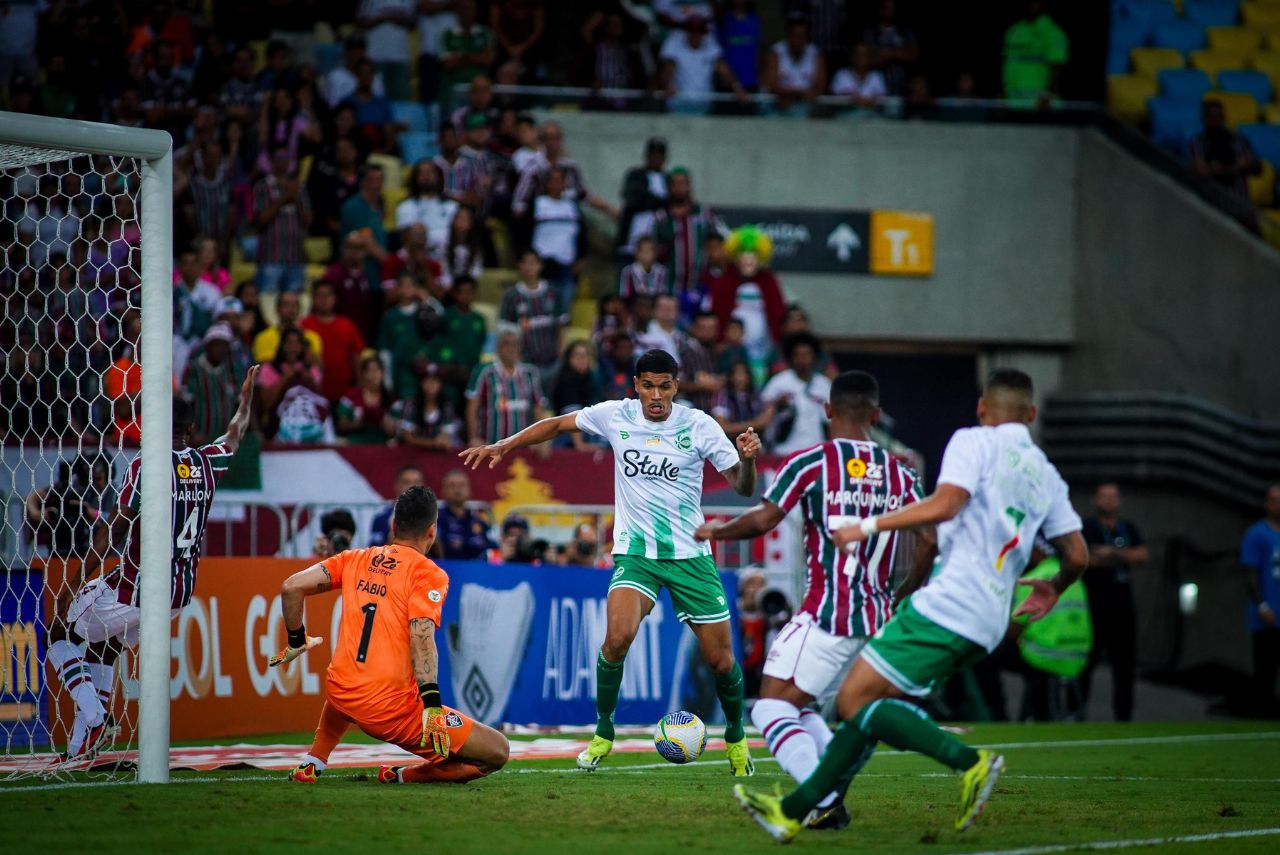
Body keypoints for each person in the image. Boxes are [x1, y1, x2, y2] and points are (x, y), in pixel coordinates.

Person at [732, 369, 1089, 844]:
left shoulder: (973, 441)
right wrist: (1056, 585)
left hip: (950, 601)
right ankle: (795, 811)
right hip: (992, 617)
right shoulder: (1046, 472)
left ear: (983, 409)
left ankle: (971, 763)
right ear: (1033, 413)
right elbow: (1079, 554)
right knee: (865, 708)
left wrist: (867, 527)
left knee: (853, 701)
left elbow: (945, 506)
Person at [460, 348, 762, 776]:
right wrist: (507, 444)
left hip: (690, 557)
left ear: (676, 387)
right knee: (616, 638)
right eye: (648, 385)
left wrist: (747, 459)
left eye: (665, 386)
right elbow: (558, 424)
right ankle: (603, 734)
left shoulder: (699, 425)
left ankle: (735, 738)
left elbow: (743, 487)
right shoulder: (615, 415)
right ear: (635, 386)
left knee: (721, 662)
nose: (656, 394)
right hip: (635, 554)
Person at [696, 371, 934, 830]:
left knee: (770, 707)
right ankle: (831, 785)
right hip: (878, 618)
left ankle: (821, 797)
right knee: (802, 707)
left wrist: (716, 530)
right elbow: (928, 539)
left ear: (828, 411)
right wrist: (902, 593)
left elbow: (765, 518)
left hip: (828, 613)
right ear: (876, 415)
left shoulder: (812, 463)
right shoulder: (900, 471)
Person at [48, 378, 256, 760]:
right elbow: (236, 432)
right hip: (178, 596)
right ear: (190, 430)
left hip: (136, 588)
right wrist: (245, 397)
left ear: (152, 425)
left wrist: (72, 582)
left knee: (58, 631)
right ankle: (81, 745)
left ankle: (95, 717)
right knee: (106, 646)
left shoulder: (147, 466)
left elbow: (115, 528)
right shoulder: (208, 462)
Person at [271, 485, 511, 784]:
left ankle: (315, 759)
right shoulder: (428, 573)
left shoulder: (353, 559)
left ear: (394, 526)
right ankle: (404, 775)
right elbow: (422, 638)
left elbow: (291, 587)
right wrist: (433, 706)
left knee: (350, 676)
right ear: (431, 532)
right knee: (497, 751)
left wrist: (297, 640)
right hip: (390, 712)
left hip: (341, 695)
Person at [1079, 483, 1148, 722]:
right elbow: (1085, 558)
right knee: (1086, 662)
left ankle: (1124, 716)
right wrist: (1118, 556)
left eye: (1113, 496)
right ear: (1095, 499)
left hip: (1123, 608)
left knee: (1125, 664)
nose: (1108, 501)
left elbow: (1142, 555)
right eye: (1104, 496)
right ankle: (1078, 713)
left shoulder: (1127, 528)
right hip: (1094, 607)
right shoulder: (1086, 527)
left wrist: (1111, 554)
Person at [465, 329, 548, 446]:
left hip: (523, 448)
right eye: (506, 344)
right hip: (491, 446)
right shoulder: (485, 372)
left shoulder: (530, 373)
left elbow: (538, 408)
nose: (511, 348)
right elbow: (472, 407)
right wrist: (473, 437)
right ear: (498, 347)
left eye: (515, 344)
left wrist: (541, 440)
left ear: (520, 348)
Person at [653, 168, 721, 306]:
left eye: (683, 183)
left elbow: (721, 240)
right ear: (669, 187)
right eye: (675, 184)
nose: (679, 188)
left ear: (689, 186)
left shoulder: (704, 214)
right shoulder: (661, 217)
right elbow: (650, 248)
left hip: (700, 287)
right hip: (668, 289)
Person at [1240, 485, 1280, 713]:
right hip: (1267, 616)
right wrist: (1262, 605)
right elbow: (1249, 574)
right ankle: (1263, 715)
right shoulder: (1257, 534)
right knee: (1266, 672)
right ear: (1267, 503)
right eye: (1274, 500)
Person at [500, 249, 568, 379]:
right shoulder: (511, 296)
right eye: (525, 263)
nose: (529, 267)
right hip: (524, 362)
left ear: (540, 265)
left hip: (553, 361)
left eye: (532, 263)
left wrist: (560, 353)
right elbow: (506, 331)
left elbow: (562, 326)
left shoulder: (553, 292)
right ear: (519, 266)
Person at [761, 333, 832, 456]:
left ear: (814, 357)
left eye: (806, 355)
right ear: (791, 358)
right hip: (784, 451)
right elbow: (762, 412)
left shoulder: (824, 384)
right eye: (798, 355)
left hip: (816, 449)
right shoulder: (779, 382)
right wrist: (777, 404)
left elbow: (830, 422)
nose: (802, 359)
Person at [658, 15, 747, 113]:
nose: (696, 34)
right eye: (693, 31)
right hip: (678, 105)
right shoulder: (674, 43)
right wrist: (668, 84)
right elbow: (668, 67)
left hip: (703, 106)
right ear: (687, 32)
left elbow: (723, 70)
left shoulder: (711, 45)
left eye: (699, 32)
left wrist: (737, 87)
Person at [253, 149, 312, 295]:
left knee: (294, 304)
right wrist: (285, 197)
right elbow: (261, 219)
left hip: (296, 258)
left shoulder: (299, 188)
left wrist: (295, 198)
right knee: (267, 301)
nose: (283, 162)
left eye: (286, 158)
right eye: (279, 158)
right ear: (271, 162)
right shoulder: (262, 186)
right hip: (271, 258)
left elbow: (308, 221)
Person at [301, 279, 367, 404]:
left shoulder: (347, 325)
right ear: (313, 299)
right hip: (312, 393)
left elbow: (356, 359)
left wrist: (359, 388)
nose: (324, 299)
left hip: (345, 393)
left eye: (328, 295)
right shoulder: (304, 325)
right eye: (320, 295)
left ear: (335, 298)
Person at [530, 166, 587, 308]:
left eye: (560, 180)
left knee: (563, 306)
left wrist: (582, 258)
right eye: (553, 180)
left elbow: (583, 235)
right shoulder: (537, 204)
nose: (557, 184)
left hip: (566, 265)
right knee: (539, 305)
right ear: (546, 183)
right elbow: (523, 232)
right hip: (542, 264)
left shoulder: (572, 206)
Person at [183, 323, 244, 447]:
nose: (220, 349)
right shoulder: (194, 369)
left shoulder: (232, 369)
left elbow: (242, 404)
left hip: (226, 441)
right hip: (201, 439)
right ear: (207, 346)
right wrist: (192, 434)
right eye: (217, 345)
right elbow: (186, 405)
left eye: (224, 346)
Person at [1191, 100, 1262, 202]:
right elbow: (1201, 172)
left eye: (1219, 116)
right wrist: (1237, 166)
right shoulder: (1197, 142)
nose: (1216, 120)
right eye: (1212, 116)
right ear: (1204, 118)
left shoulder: (1238, 141)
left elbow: (1257, 168)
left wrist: (1217, 168)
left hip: (1239, 200)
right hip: (1211, 200)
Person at [1002, 0, 1068, 108]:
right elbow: (1008, 63)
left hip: (1039, 104)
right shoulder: (1015, 30)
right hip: (1013, 102)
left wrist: (1047, 95)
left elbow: (1057, 67)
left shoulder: (1053, 32)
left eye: (1036, 2)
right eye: (1030, 2)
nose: (1032, 6)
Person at [617, 138, 670, 260]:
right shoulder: (636, 175)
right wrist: (659, 201)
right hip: (635, 231)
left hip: (658, 233)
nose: (656, 159)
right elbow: (635, 198)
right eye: (653, 156)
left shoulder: (667, 179)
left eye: (659, 156)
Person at [396, 160, 459, 262]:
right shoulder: (406, 206)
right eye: (422, 173)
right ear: (415, 178)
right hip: (420, 257)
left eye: (430, 172)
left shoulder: (452, 206)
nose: (427, 176)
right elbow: (405, 238)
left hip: (449, 255)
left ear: (439, 177)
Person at [340, 164, 390, 289]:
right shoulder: (354, 207)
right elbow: (366, 241)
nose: (377, 184)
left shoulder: (377, 206)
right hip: (362, 275)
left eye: (380, 180)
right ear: (362, 182)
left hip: (379, 274)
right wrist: (391, 264)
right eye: (372, 180)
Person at [763, 18, 825, 116]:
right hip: (777, 102)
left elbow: (819, 86)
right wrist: (798, 93)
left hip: (804, 105)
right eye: (795, 35)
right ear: (788, 36)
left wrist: (796, 96)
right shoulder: (776, 52)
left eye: (802, 36)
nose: (798, 40)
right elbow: (770, 84)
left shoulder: (815, 54)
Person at [439, 0, 496, 106]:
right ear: (457, 11)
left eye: (469, 8)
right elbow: (448, 64)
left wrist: (462, 57)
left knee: (479, 121)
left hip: (481, 90)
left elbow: (488, 59)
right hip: (455, 89)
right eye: (463, 8)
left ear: (475, 11)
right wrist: (476, 56)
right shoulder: (447, 35)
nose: (466, 12)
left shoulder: (485, 33)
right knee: (456, 120)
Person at [357, 0, 415, 101]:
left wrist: (398, 18)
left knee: (401, 102)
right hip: (375, 56)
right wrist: (383, 17)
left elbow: (413, 22)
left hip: (400, 57)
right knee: (376, 99)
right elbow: (361, 21)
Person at [393, 366, 463, 450]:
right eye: (427, 381)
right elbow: (408, 437)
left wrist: (438, 443)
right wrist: (432, 443)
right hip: (415, 452)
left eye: (434, 381)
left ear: (440, 384)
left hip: (439, 453)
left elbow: (445, 437)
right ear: (421, 384)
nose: (431, 385)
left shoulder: (447, 406)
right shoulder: (411, 405)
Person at [336, 355, 398, 445]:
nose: (374, 375)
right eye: (370, 371)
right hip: (355, 443)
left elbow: (396, 431)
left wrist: (386, 426)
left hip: (382, 445)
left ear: (383, 373)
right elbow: (341, 425)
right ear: (363, 374)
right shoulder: (351, 396)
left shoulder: (391, 399)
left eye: (377, 370)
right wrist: (361, 423)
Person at [552, 340, 602, 451]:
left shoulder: (591, 379)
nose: (581, 359)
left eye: (585, 355)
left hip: (587, 431)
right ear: (569, 359)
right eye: (577, 355)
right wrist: (580, 444)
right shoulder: (566, 381)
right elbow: (572, 414)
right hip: (567, 437)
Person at [435, 469, 496, 560]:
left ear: (469, 490)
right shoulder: (435, 520)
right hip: (446, 569)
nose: (457, 489)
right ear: (443, 491)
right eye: (452, 485)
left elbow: (492, 549)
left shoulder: (479, 521)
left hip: (478, 570)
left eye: (462, 485)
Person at [861, 0, 918, 97]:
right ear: (880, 9)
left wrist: (888, 53)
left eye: (892, 8)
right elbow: (867, 59)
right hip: (877, 87)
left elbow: (913, 54)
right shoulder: (871, 32)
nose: (890, 11)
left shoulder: (904, 31)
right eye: (886, 7)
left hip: (903, 84)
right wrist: (898, 52)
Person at [251, 291, 323, 364]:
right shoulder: (263, 338)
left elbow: (317, 368)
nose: (291, 309)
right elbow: (264, 369)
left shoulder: (312, 337)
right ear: (277, 309)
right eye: (286, 304)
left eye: (294, 304)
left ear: (299, 309)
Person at [712, 361, 773, 439]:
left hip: (753, 444)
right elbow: (723, 427)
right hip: (730, 444)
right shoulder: (722, 396)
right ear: (730, 377)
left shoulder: (754, 396)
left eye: (745, 374)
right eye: (739, 374)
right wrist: (756, 424)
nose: (742, 378)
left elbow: (766, 419)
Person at [678, 311, 722, 413]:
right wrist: (703, 386)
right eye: (703, 328)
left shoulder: (715, 351)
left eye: (712, 328)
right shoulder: (684, 350)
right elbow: (674, 383)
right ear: (693, 328)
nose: (708, 332)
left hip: (711, 410)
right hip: (688, 410)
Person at [370, 465, 424, 547]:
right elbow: (374, 553)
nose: (412, 487)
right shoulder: (382, 518)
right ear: (397, 486)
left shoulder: (436, 517)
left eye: (416, 482)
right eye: (406, 482)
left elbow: (442, 554)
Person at [830, 43, 887, 111]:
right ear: (852, 56)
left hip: (872, 116)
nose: (860, 58)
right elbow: (835, 96)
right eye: (857, 54)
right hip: (845, 116)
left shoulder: (876, 76)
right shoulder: (842, 74)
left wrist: (870, 100)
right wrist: (853, 98)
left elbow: (881, 98)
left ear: (869, 57)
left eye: (864, 55)